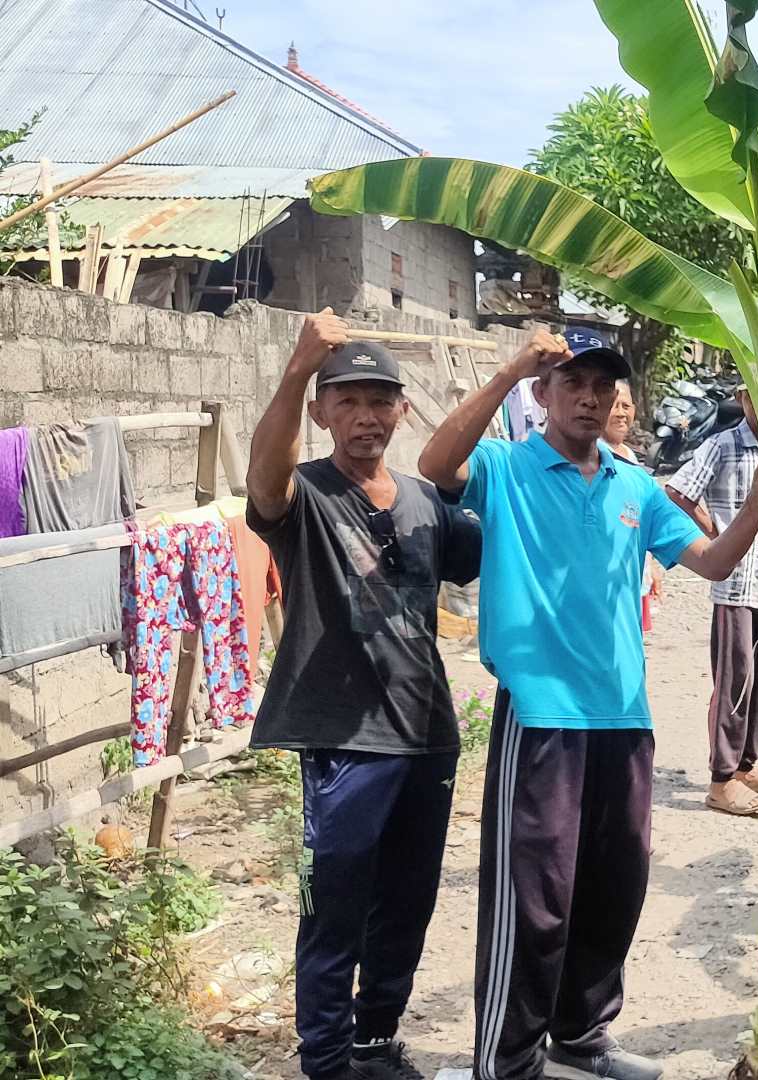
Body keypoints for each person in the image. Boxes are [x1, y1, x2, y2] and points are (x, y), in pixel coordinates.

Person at [417, 328, 758, 1080]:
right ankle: (507, 1061)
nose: (589, 398)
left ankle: (581, 1040)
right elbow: (434, 464)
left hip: (625, 717)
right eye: (571, 383)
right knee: (535, 900)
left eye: (602, 387)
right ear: (544, 395)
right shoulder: (505, 467)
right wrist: (512, 367)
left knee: (615, 887)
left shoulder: (633, 484)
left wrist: (753, 511)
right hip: (544, 714)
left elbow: (712, 561)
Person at [245, 310, 483, 1080]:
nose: (365, 415)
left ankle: (375, 1041)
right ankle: (325, 1059)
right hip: (344, 738)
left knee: (407, 904)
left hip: (427, 732)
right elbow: (264, 481)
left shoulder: (423, 501)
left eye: (380, 400)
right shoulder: (305, 493)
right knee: (334, 907)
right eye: (346, 399)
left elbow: (492, 551)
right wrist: (295, 367)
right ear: (321, 412)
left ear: (402, 412)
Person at [665, 386, 758, 816]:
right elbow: (678, 493)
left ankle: (745, 766)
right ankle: (721, 779)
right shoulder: (723, 444)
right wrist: (716, 533)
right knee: (735, 682)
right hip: (735, 583)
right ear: (743, 398)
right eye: (754, 397)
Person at [603, 381, 663, 631]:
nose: (620, 413)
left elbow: (641, 518)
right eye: (613, 405)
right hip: (607, 578)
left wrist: (651, 569)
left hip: (634, 576)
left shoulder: (631, 457)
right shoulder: (593, 458)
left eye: (625, 405)